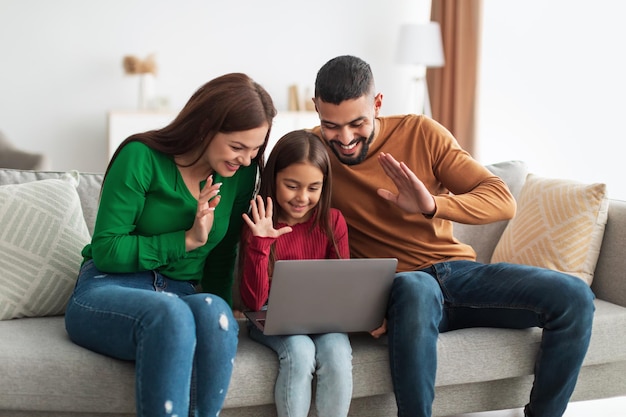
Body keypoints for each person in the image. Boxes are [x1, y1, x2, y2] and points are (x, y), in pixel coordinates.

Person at [309, 55, 595, 417]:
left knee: (575, 297)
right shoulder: (311, 153)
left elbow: (501, 200)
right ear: (315, 107)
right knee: (415, 287)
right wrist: (354, 306)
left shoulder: (421, 133)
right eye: (331, 125)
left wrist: (432, 206)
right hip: (400, 288)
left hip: (459, 274)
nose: (345, 139)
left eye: (357, 123)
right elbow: (296, 235)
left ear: (378, 104)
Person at [64, 73, 277, 417]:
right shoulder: (141, 156)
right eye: (238, 147)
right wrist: (188, 240)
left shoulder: (239, 175)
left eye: (255, 150)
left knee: (217, 316)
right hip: (110, 287)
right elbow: (106, 249)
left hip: (182, 292)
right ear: (206, 126)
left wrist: (219, 310)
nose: (246, 160)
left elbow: (223, 254)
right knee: (171, 314)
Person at [239, 130, 353, 417]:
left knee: (338, 355)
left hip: (322, 316)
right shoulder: (258, 222)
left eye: (313, 188)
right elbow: (252, 302)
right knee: (300, 352)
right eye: (292, 186)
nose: (302, 197)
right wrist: (261, 243)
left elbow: (343, 288)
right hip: (269, 313)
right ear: (273, 179)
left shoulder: (333, 221)